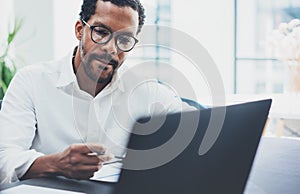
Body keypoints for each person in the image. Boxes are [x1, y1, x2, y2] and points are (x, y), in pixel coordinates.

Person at [0, 0, 187, 184]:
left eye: (124, 40)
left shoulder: (147, 91)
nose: (111, 49)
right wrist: (57, 164)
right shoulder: (32, 81)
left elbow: (193, 130)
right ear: (80, 30)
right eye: (101, 32)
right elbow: (4, 161)